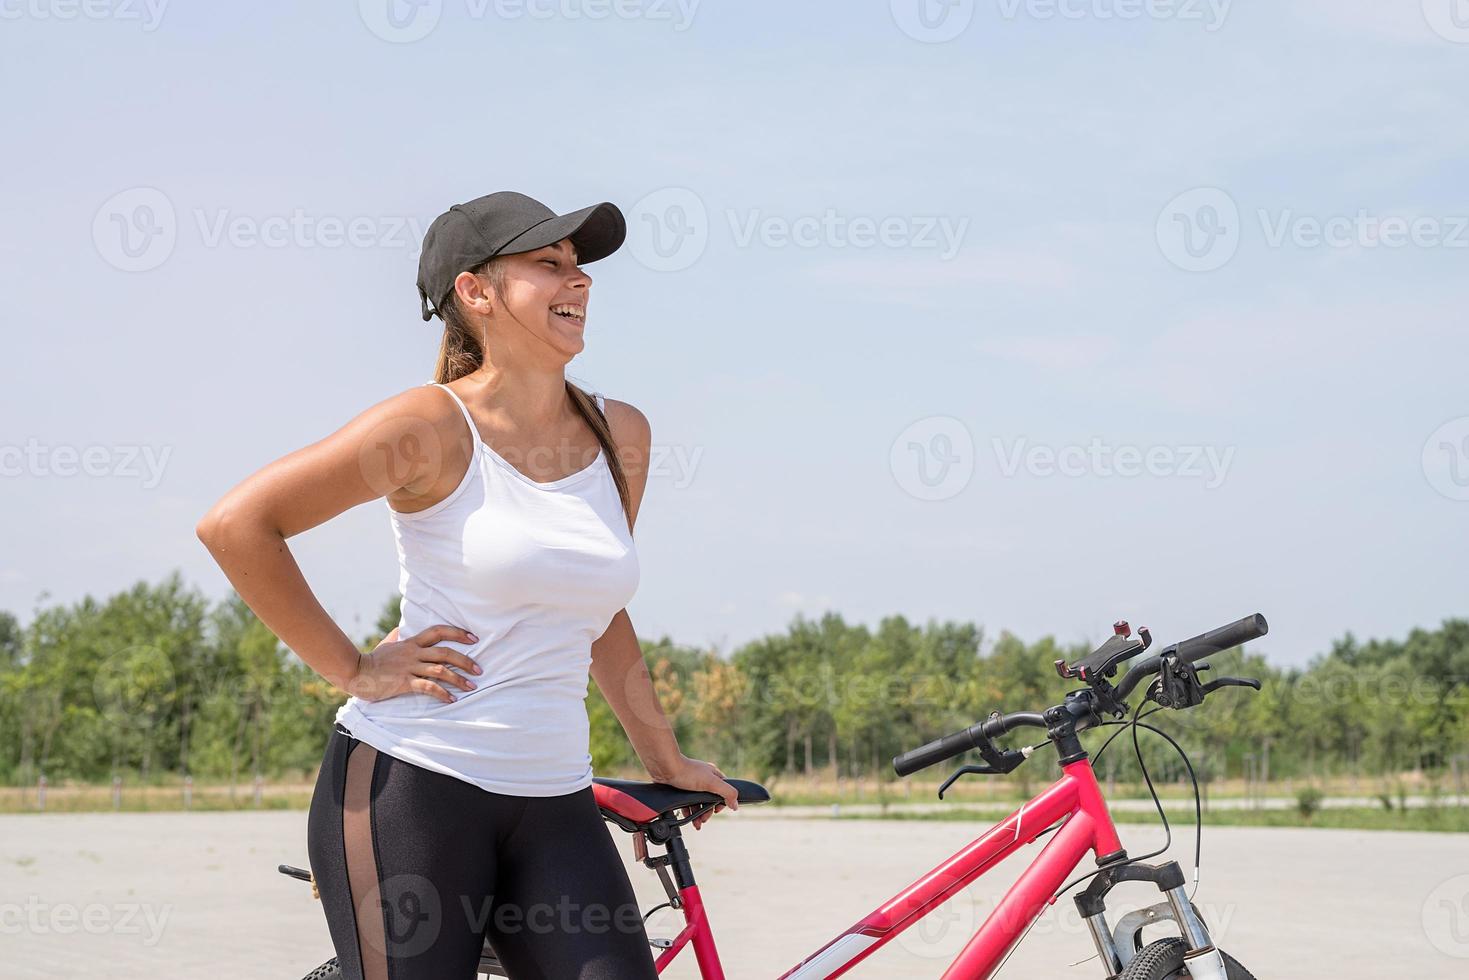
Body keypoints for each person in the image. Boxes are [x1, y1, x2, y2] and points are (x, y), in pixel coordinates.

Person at [196, 191, 738, 979]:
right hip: (414, 786)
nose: (577, 281)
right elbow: (238, 525)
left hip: (553, 799)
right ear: (475, 292)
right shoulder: (428, 427)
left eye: (579, 268)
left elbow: (595, 611)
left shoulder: (619, 432)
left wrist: (665, 756)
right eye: (548, 264)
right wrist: (352, 669)